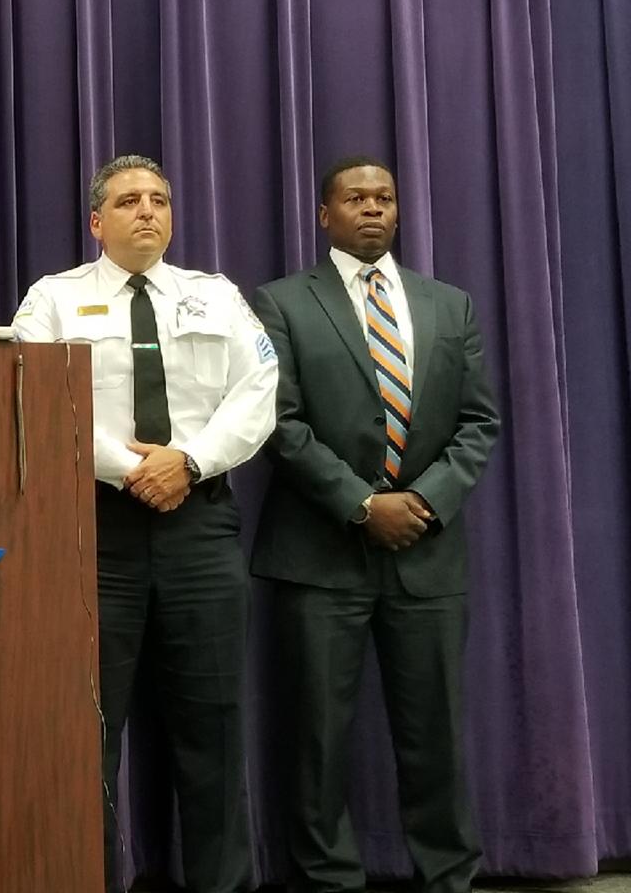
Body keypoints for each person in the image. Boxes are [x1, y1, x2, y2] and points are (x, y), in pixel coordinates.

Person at [11, 155, 276, 893]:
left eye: (159, 199)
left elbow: (257, 392)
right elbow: (37, 392)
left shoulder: (215, 297)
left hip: (200, 528)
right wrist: (125, 469)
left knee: (213, 730)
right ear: (97, 221)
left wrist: (187, 461)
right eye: (129, 201)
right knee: (86, 733)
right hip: (97, 532)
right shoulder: (54, 300)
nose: (148, 212)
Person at [252, 157, 500, 893]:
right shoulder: (279, 304)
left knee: (437, 736)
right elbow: (280, 421)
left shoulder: (449, 306)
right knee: (318, 741)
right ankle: (328, 880)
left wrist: (420, 503)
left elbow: (478, 423)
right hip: (319, 555)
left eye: (384, 198)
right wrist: (363, 505)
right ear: (324, 214)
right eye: (354, 197)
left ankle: (449, 876)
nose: (372, 208)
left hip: (427, 551)